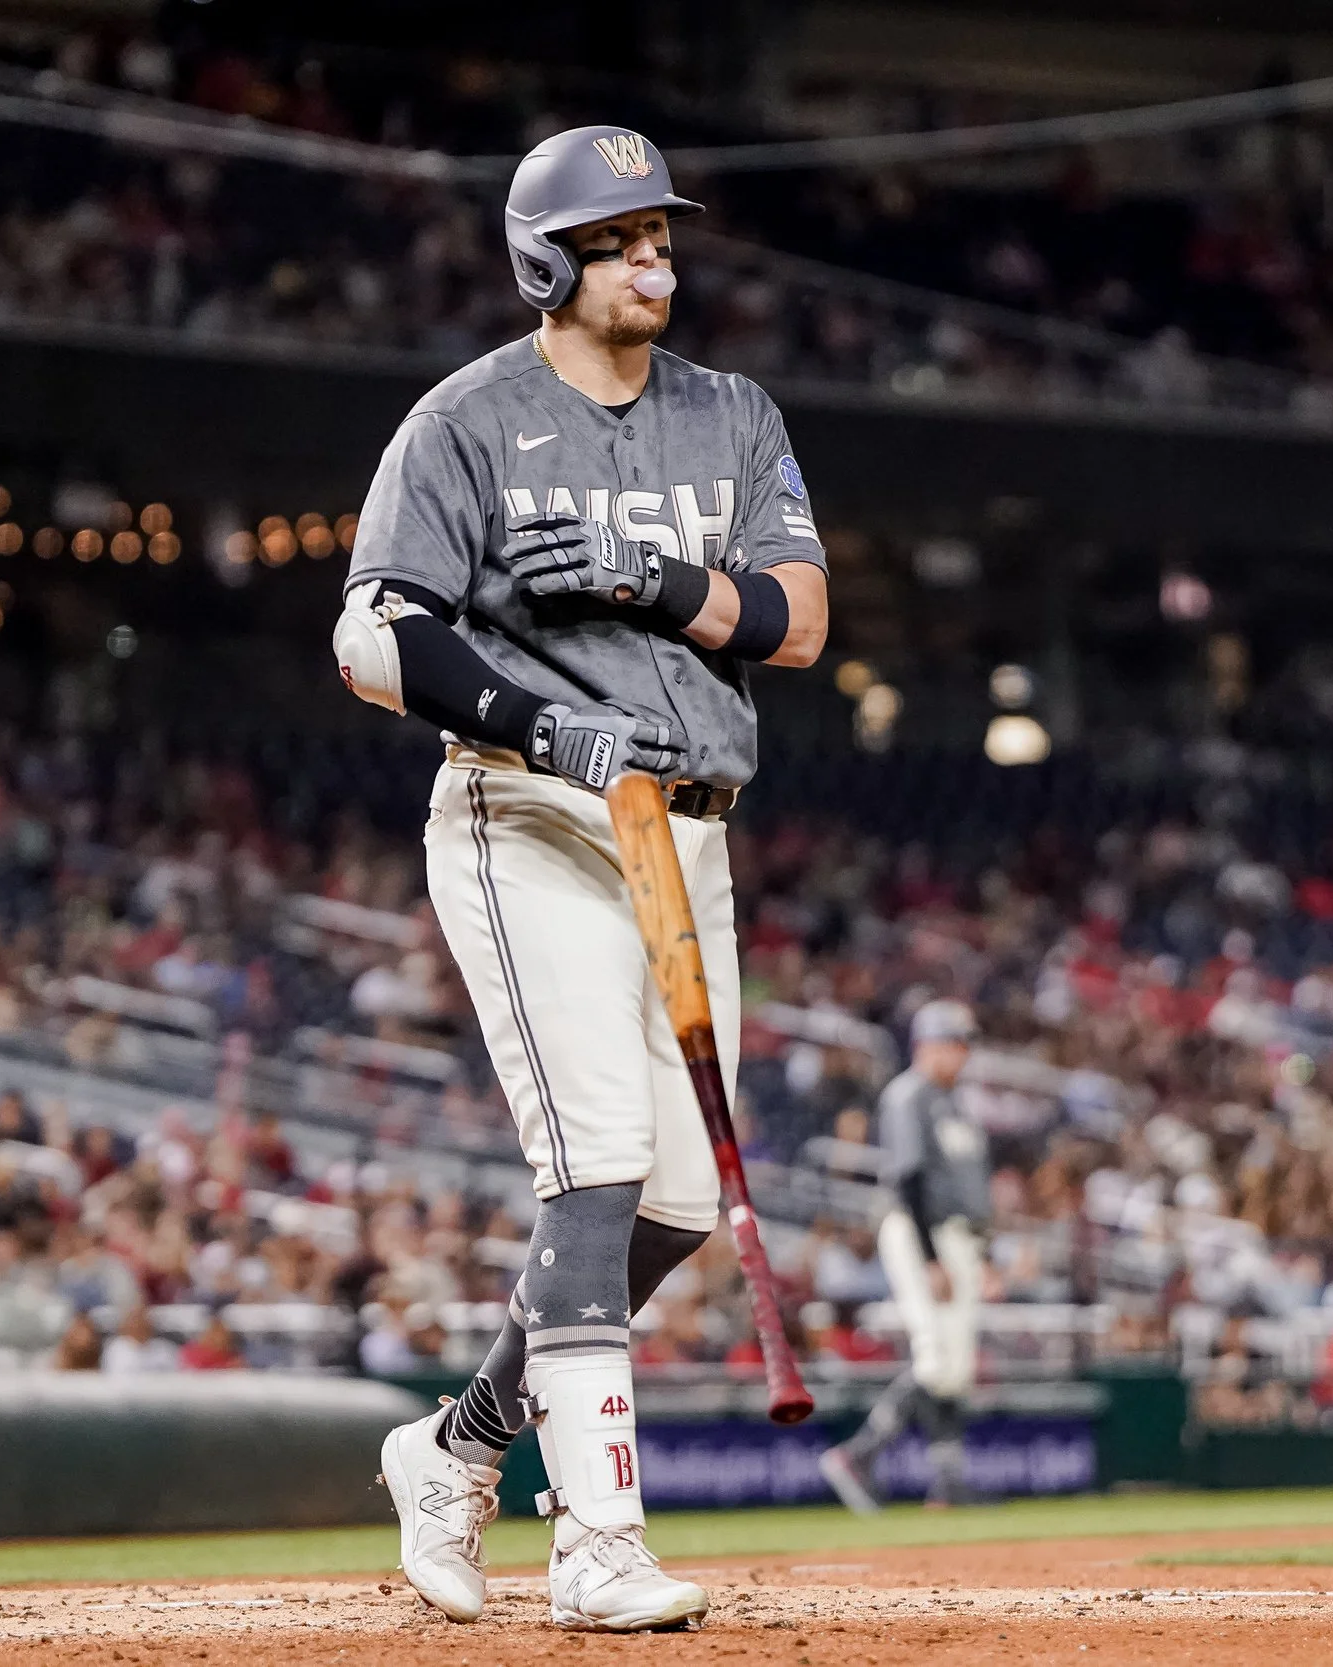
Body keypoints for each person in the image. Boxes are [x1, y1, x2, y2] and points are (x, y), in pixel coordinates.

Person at [340, 124, 827, 1633]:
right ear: (547, 259)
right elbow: (372, 633)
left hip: (689, 828)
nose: (654, 258)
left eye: (662, 235)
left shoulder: (732, 414)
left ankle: (458, 1446)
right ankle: (596, 1536)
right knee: (602, 1153)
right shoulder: (466, 421)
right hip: (527, 813)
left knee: (678, 1198)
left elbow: (802, 623)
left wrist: (661, 584)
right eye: (622, 239)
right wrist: (536, 714)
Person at [818, 1000, 991, 1513]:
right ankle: (857, 1455)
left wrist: (985, 1257)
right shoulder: (909, 1095)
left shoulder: (954, 1101)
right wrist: (932, 1256)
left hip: (960, 1236)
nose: (961, 1054)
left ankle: (947, 1484)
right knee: (936, 1358)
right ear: (927, 1045)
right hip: (922, 1232)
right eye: (954, 1043)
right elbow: (909, 1179)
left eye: (963, 1044)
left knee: (955, 1367)